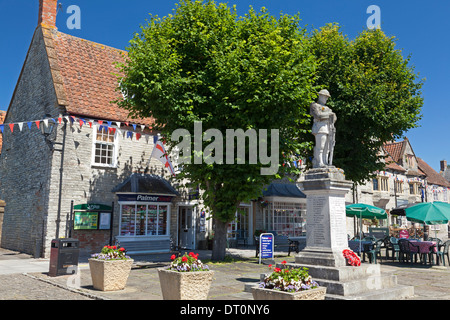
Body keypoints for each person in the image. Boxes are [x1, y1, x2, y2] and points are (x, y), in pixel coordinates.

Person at [310, 89, 336, 168]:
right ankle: (319, 162)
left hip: (328, 128)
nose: (326, 99)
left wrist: (330, 115)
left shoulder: (328, 108)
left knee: (327, 148)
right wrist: (330, 114)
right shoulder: (315, 105)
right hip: (319, 127)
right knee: (320, 146)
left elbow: (334, 118)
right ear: (320, 96)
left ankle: (325, 162)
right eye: (325, 97)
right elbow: (318, 115)